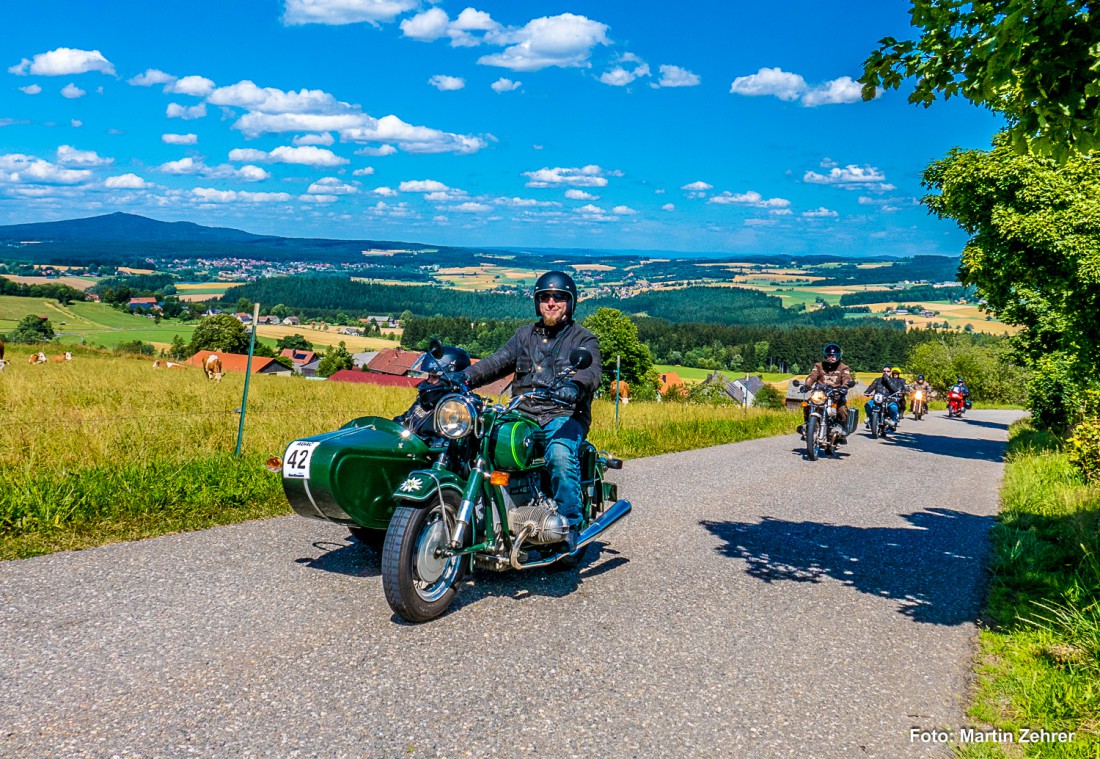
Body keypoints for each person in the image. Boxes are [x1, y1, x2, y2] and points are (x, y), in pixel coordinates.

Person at [456, 271, 602, 548]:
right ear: (537, 302)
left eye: (559, 297)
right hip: (523, 411)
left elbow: (592, 372)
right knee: (474, 438)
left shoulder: (584, 339)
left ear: (570, 302)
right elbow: (497, 361)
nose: (551, 302)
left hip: (563, 414)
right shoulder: (524, 335)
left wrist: (574, 387)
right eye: (545, 297)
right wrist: (463, 377)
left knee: (559, 453)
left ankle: (570, 525)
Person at [394, 344, 471, 438]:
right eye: (428, 376)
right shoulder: (425, 402)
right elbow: (403, 419)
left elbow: (446, 444)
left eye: (434, 377)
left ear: (451, 379)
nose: (428, 381)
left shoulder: (457, 413)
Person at [798, 342, 853, 440]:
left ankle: (842, 429)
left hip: (836, 395)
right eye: (829, 355)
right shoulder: (819, 366)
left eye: (833, 355)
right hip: (820, 394)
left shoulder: (843, 367)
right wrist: (807, 385)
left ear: (838, 356)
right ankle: (808, 426)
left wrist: (845, 387)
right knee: (807, 404)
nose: (831, 357)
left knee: (842, 410)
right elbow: (812, 376)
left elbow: (846, 378)